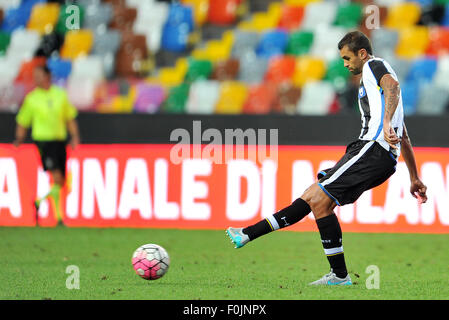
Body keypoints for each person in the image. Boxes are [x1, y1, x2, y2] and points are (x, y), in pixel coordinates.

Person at [226, 31, 428, 286]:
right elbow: (404, 136)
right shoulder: (374, 85)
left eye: (347, 57)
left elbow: (393, 87)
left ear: (362, 54)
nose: (345, 64)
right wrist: (414, 177)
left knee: (318, 198)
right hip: (371, 152)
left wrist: (386, 122)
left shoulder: (374, 66)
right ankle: (249, 235)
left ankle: (336, 274)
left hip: (373, 149)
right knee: (316, 199)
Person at [14, 65, 80, 225]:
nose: (35, 78)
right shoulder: (32, 98)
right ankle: (58, 217)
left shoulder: (60, 95)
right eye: (34, 75)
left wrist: (75, 136)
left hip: (59, 140)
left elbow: (69, 117)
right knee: (57, 176)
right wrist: (19, 139)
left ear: (47, 76)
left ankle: (41, 203)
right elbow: (23, 121)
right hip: (43, 142)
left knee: (61, 181)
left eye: (39, 75)